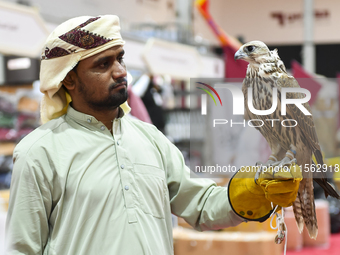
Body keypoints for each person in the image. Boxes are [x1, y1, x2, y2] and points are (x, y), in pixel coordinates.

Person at [5, 15, 302, 255]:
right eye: (103, 64)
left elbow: (200, 205)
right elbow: (22, 248)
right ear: (68, 78)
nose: (120, 71)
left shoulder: (150, 139)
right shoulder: (39, 151)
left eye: (120, 58)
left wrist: (254, 191)